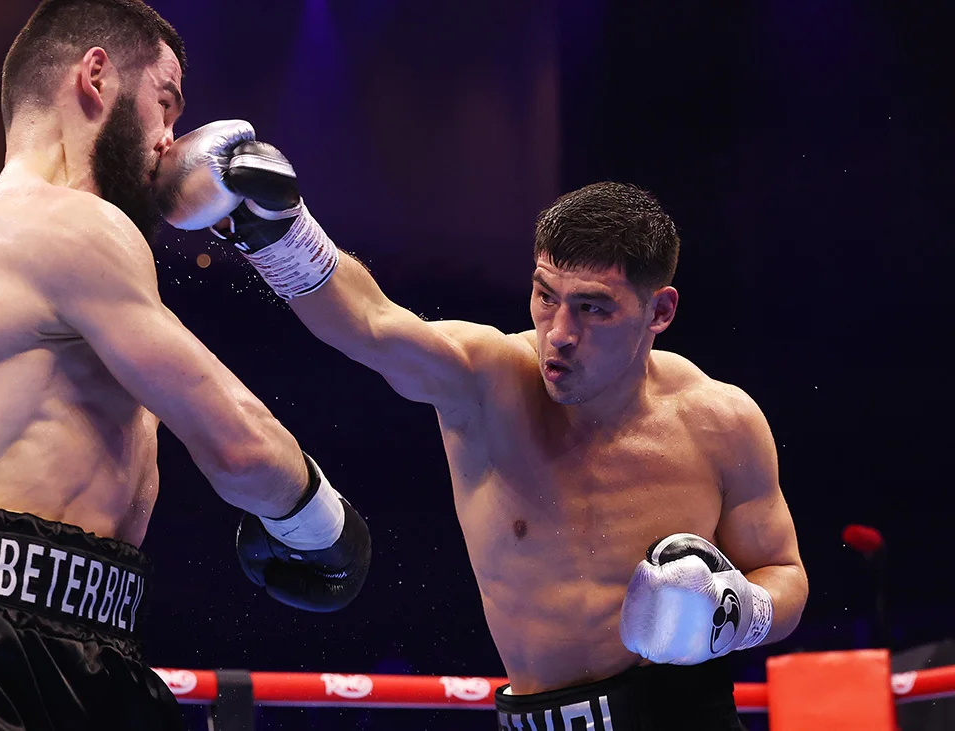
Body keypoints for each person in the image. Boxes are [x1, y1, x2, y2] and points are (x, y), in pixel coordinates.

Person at [0, 3, 371, 730]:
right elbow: (239, 445)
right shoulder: (62, 223)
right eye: (165, 103)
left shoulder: (10, 228)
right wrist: (325, 524)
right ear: (95, 76)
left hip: (86, 646)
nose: (170, 140)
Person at [157, 126, 808, 730]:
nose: (560, 335)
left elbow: (784, 573)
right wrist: (277, 232)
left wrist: (729, 617)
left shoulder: (719, 420)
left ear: (658, 310)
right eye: (546, 295)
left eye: (593, 309)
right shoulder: (490, 385)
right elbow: (373, 326)